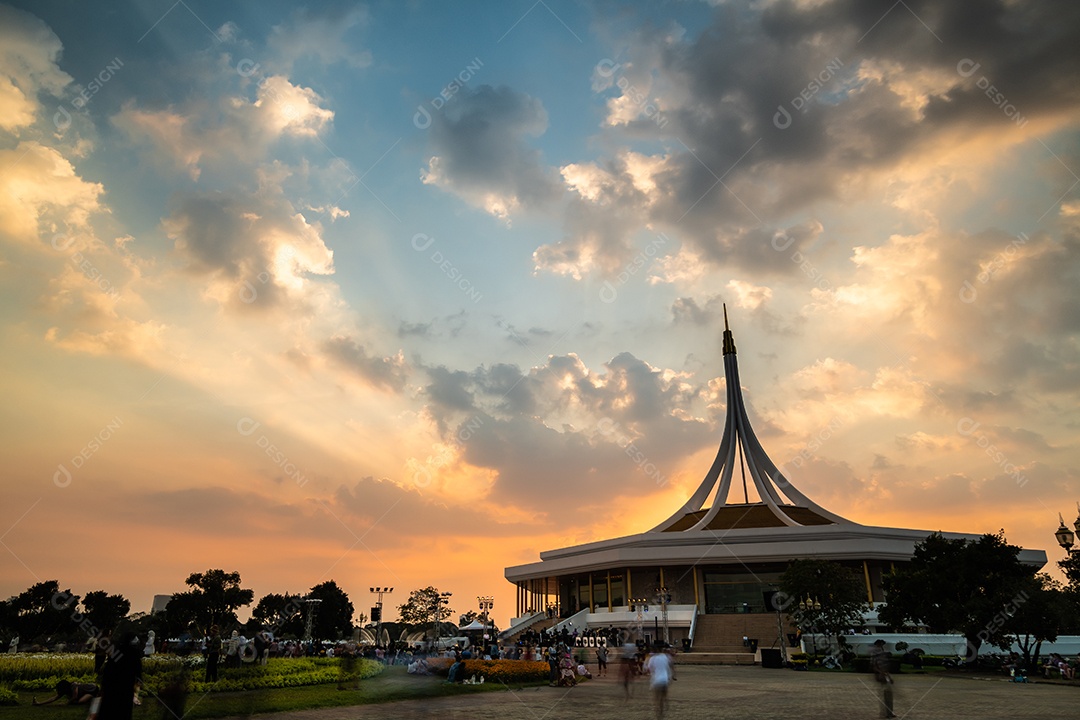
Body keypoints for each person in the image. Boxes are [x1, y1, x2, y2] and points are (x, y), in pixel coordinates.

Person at [97, 629, 142, 720]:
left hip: (111, 692)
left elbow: (106, 674)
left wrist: (102, 691)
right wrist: (135, 695)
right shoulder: (135, 658)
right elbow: (138, 679)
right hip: (125, 693)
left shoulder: (115, 654)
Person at [643, 645, 674, 720]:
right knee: (663, 697)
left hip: (657, 681)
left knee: (657, 700)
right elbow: (671, 664)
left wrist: (646, 662)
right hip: (665, 679)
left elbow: (647, 669)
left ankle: (659, 716)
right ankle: (664, 708)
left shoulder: (652, 659)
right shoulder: (664, 656)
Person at [869, 639, 896, 719]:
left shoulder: (883, 654)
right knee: (886, 694)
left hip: (885, 675)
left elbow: (885, 666)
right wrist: (881, 673)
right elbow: (874, 666)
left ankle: (889, 712)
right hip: (881, 676)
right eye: (879, 645)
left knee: (889, 695)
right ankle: (887, 713)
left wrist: (889, 676)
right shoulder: (875, 654)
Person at [32, 679, 98, 705]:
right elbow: (54, 698)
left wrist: (66, 703)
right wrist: (40, 703)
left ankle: (92, 697)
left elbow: (75, 696)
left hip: (92, 690)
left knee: (80, 701)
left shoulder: (73, 685)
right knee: (75, 701)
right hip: (84, 693)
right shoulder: (65, 691)